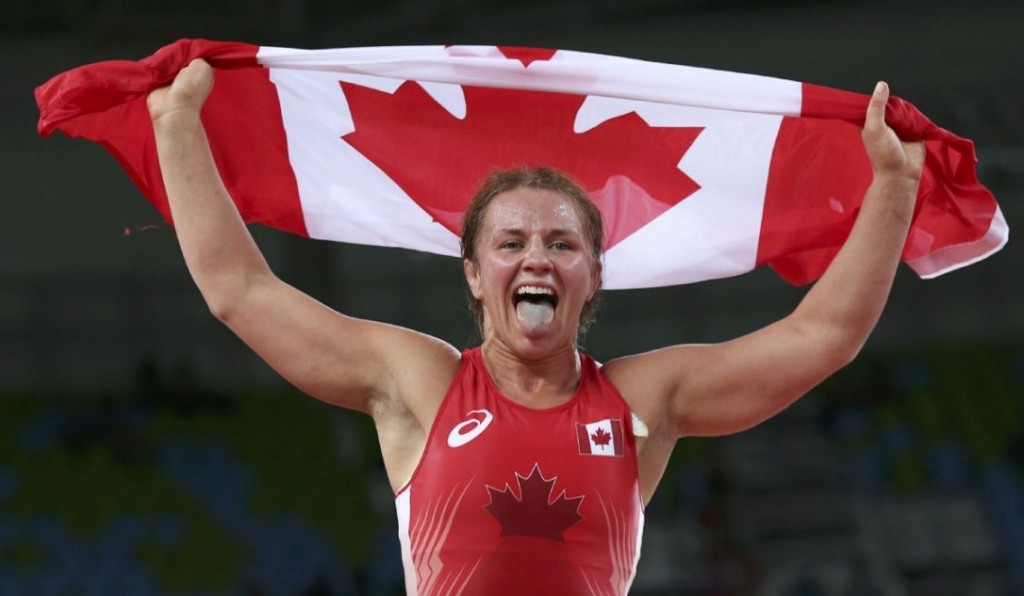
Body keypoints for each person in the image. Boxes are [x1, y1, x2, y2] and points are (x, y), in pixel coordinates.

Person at [146, 58, 924, 595]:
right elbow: (239, 291)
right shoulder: (421, 383)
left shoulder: (641, 401)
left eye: (562, 244)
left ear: (593, 275)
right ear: (474, 275)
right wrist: (178, 126)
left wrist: (894, 185)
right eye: (510, 244)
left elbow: (822, 337)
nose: (537, 261)